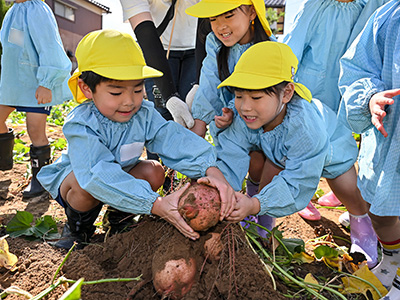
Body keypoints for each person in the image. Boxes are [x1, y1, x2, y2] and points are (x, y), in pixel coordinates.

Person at [37, 29, 236, 250]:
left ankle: (118, 220)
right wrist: (155, 204)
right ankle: (77, 229)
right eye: (116, 93)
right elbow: (95, 174)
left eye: (137, 89)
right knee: (85, 189)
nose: (129, 101)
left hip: (123, 175)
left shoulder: (143, 115)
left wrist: (209, 167)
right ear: (87, 88)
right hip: (84, 180)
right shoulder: (82, 123)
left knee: (154, 171)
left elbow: (172, 139)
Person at [215, 41, 378, 268]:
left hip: (330, 148)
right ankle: (262, 225)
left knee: (346, 188)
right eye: (239, 95)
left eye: (256, 97)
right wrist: (222, 187)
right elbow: (231, 150)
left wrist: (253, 204)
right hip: (281, 152)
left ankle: (362, 224)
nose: (244, 106)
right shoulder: (245, 115)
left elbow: (299, 179)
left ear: (287, 93)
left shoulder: (304, 127)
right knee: (267, 176)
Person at [283, 0, 389, 219]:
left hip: (346, 83)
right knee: (310, 137)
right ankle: (304, 192)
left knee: (343, 136)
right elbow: (293, 44)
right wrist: (284, 78)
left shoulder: (367, 5)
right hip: (313, 85)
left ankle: (341, 187)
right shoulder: (317, 5)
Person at [185, 0, 277, 236]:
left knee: (265, 166)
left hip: (267, 125)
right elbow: (209, 83)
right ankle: (230, 211)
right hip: (232, 128)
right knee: (227, 173)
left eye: (228, 15)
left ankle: (261, 223)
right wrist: (203, 123)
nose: (220, 26)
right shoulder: (215, 44)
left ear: (252, 12)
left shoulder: (269, 50)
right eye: (213, 19)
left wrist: (240, 112)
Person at [339, 1, 400, 296]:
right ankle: (392, 261)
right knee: (381, 212)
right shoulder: (388, 17)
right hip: (390, 136)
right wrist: (371, 96)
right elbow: (356, 69)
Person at [0, 0, 72, 198]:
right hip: (12, 81)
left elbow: (49, 46)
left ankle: (40, 179)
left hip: (36, 82)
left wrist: (46, 82)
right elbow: (12, 48)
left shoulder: (37, 10)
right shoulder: (14, 11)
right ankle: (3, 165)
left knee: (35, 129)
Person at [119, 0, 197, 129]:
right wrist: (169, 97)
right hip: (156, 49)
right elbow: (144, 30)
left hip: (197, 46)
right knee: (161, 115)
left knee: (191, 115)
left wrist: (199, 83)